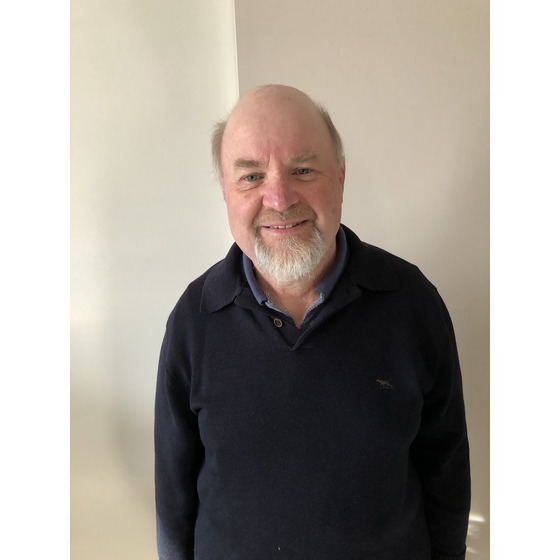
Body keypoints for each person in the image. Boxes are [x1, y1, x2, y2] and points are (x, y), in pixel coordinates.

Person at [154, 84, 471, 560]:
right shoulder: (194, 318)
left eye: (302, 170)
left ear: (340, 177)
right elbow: (173, 494)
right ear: (225, 191)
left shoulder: (412, 303)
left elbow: (446, 472)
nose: (279, 198)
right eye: (251, 176)